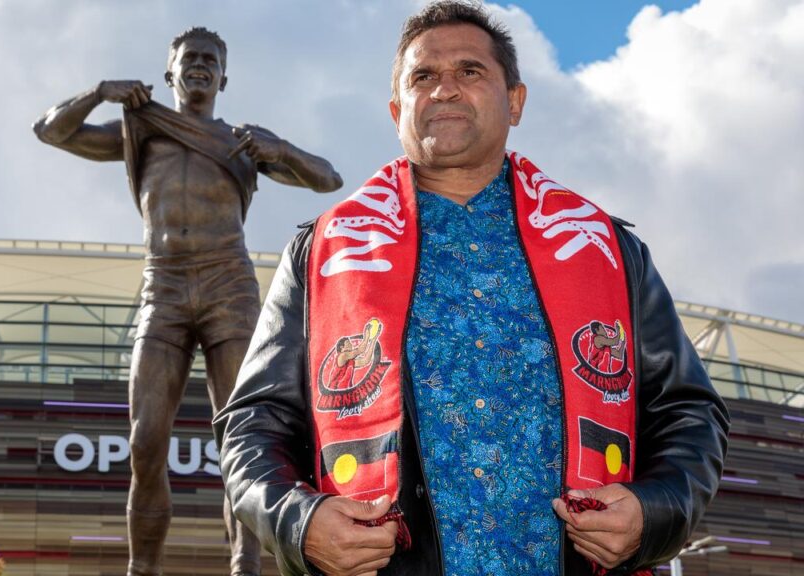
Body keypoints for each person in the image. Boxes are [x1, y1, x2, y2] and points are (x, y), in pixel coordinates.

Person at [213, 2, 729, 575]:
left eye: (470, 71)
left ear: (515, 101)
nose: (445, 90)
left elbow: (688, 412)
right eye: (423, 77)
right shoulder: (324, 254)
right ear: (396, 109)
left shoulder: (604, 248)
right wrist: (299, 523)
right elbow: (255, 423)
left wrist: (653, 512)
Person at [33, 27, 343, 576]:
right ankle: (142, 568)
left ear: (224, 76)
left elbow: (327, 179)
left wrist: (281, 148)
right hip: (165, 286)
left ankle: (245, 566)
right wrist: (101, 91)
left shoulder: (241, 140)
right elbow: (52, 131)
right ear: (170, 71)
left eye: (210, 60)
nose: (200, 66)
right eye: (189, 59)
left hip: (230, 287)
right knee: (145, 438)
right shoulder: (143, 126)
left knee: (243, 438)